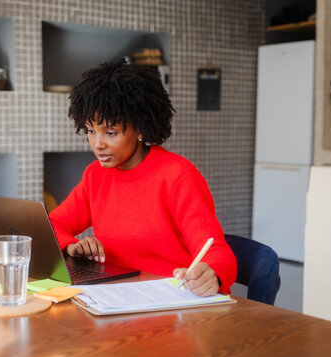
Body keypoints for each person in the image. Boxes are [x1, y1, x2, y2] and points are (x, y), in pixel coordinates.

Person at [49, 61, 237, 296]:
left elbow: (216, 250)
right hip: (115, 297)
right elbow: (52, 224)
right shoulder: (95, 175)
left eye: (111, 132)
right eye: (90, 130)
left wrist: (213, 274)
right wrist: (72, 246)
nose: (97, 144)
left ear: (140, 128)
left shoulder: (177, 175)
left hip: (169, 300)